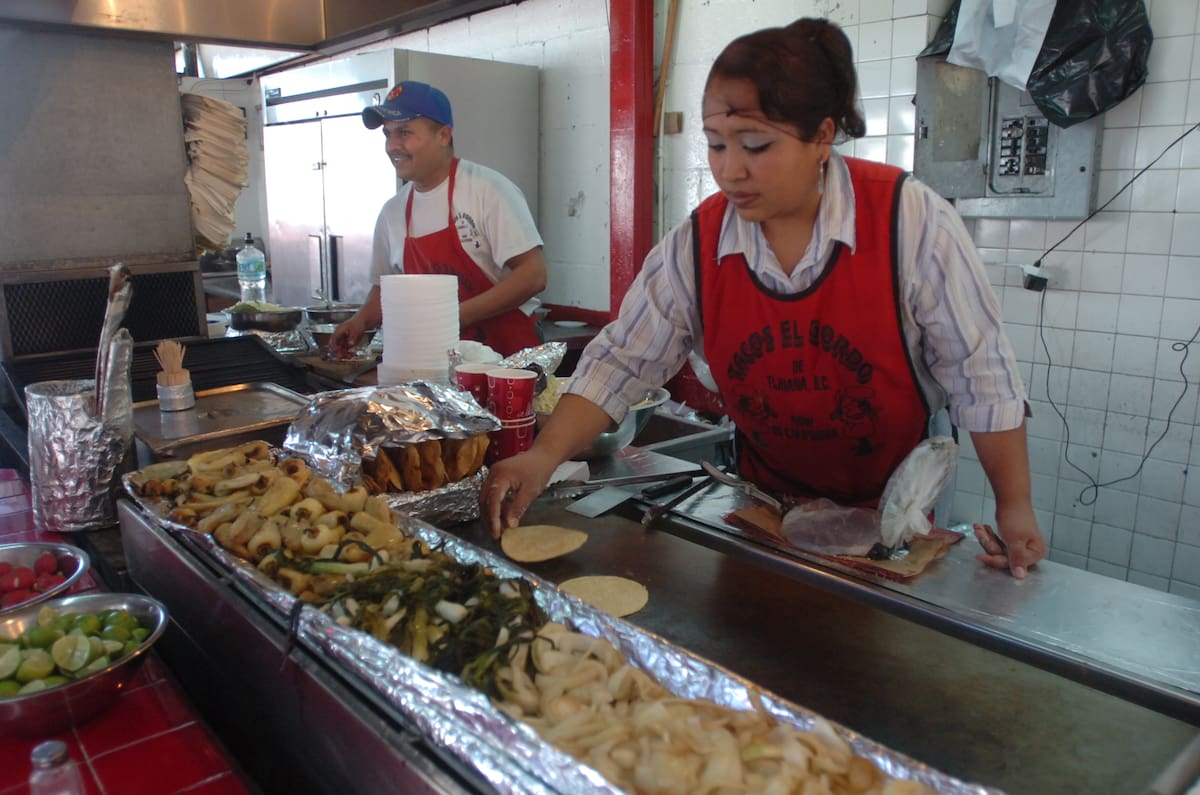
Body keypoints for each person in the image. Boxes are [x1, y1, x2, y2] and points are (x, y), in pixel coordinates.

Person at [482, 18, 1047, 578]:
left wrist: (1014, 504)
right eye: (716, 145)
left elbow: (982, 375)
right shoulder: (698, 244)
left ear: (822, 136)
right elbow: (621, 361)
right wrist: (543, 455)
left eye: (755, 145)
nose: (730, 170)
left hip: (896, 509)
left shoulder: (909, 221)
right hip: (766, 504)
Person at [330, 80, 547, 358]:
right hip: (434, 361)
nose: (392, 146)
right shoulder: (392, 212)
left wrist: (451, 318)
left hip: (504, 359)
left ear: (444, 135)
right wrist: (359, 321)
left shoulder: (487, 191)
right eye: (388, 134)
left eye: (405, 132)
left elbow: (533, 274)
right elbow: (385, 288)